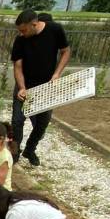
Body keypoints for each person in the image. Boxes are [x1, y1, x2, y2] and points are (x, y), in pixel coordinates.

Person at [10, 9, 71, 167]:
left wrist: (57, 74)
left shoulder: (55, 30)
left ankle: (30, 149)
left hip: (46, 85)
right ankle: (14, 153)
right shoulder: (20, 40)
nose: (21, 34)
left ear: (34, 24)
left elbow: (65, 51)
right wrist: (22, 88)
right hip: (25, 85)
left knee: (42, 123)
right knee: (17, 121)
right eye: (19, 31)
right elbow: (17, 66)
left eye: (23, 30)